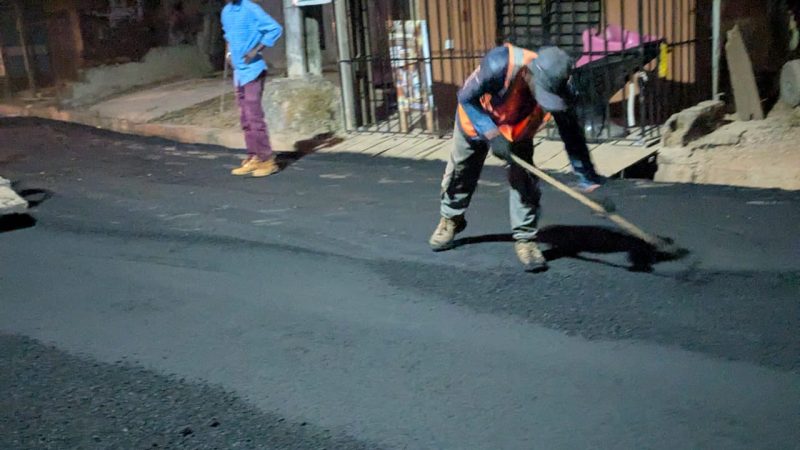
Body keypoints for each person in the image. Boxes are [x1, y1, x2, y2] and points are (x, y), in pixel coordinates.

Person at [429, 44, 606, 272]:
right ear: (527, 73)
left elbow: (573, 139)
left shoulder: (563, 88)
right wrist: (492, 134)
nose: (544, 101)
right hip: (475, 121)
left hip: (517, 129)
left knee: (525, 180)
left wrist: (589, 183)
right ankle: (451, 218)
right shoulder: (500, 65)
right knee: (462, 172)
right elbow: (466, 98)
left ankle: (526, 238)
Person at [221, 0, 283, 177]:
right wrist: (229, 53)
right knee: (245, 118)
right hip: (239, 72)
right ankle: (253, 156)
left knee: (254, 116)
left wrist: (256, 50)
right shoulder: (226, 11)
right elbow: (228, 35)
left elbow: (274, 28)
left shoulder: (250, 8)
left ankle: (267, 160)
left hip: (253, 70)